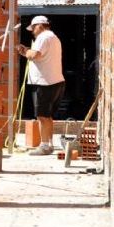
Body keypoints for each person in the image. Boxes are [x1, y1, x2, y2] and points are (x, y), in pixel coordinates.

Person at [17, 15, 65, 155]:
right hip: (54, 81)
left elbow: (34, 55)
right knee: (48, 116)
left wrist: (23, 51)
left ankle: (44, 146)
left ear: (39, 25)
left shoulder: (43, 37)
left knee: (42, 117)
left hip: (44, 83)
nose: (32, 31)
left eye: (33, 28)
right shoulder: (53, 37)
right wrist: (27, 51)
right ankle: (49, 144)